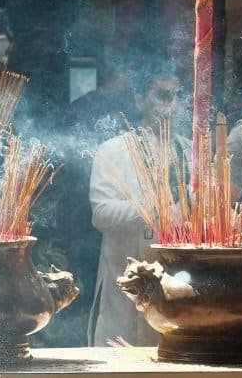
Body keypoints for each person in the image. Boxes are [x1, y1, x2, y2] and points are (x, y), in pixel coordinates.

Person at [87, 61, 183, 347]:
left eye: (179, 97)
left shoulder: (190, 151)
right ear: (139, 100)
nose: (173, 105)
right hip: (124, 296)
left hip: (178, 293)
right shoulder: (113, 151)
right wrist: (153, 206)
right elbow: (101, 214)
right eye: (163, 96)